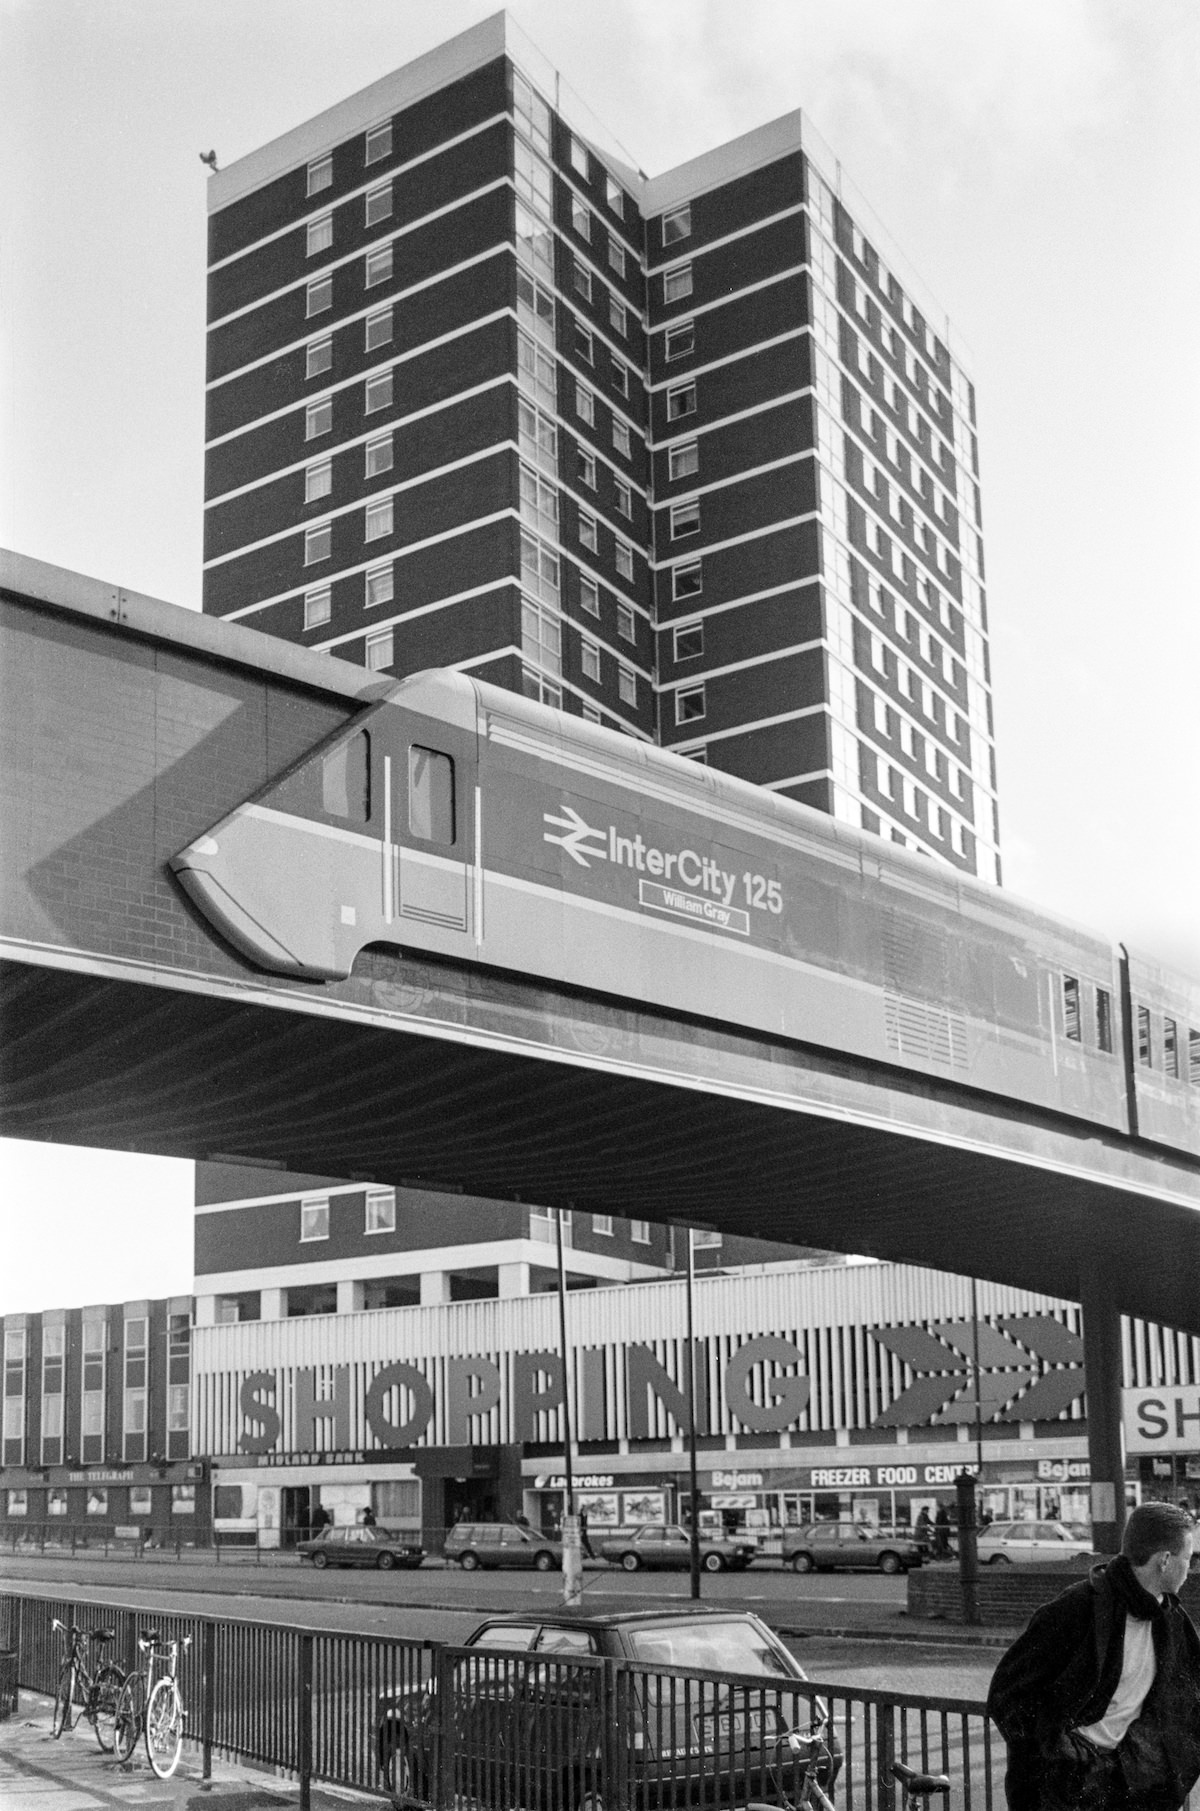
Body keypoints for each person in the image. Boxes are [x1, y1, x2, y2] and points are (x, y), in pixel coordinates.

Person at [987, 1502, 1200, 1811]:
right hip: (1065, 1788)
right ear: (1165, 1560)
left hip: (1126, 1783)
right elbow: (1006, 1695)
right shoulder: (1078, 1608)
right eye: (1188, 1559)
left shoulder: (1172, 1619)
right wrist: (1057, 1753)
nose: (1190, 1569)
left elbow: (1189, 1700)